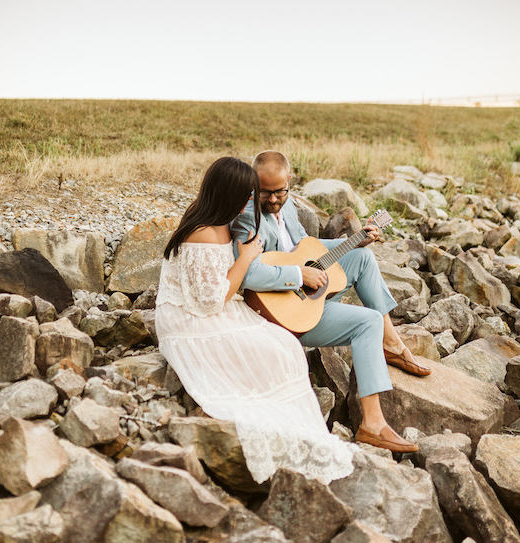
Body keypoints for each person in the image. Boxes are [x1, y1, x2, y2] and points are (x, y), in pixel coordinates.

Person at [155, 156, 357, 484]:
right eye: (248, 195)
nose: (253, 202)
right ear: (228, 195)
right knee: (269, 351)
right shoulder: (202, 232)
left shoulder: (223, 222)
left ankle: (296, 430)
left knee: (284, 345)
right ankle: (271, 431)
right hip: (189, 318)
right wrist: (247, 257)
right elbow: (210, 300)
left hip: (214, 305)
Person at [230, 149, 428, 455]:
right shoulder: (249, 215)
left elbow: (308, 248)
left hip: (299, 290)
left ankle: (391, 343)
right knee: (367, 323)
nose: (272, 200)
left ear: (290, 182)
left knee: (361, 256)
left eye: (279, 191)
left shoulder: (289, 205)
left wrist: (355, 239)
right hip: (281, 313)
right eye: (264, 192)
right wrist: (299, 276)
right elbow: (248, 273)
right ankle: (372, 426)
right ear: (254, 184)